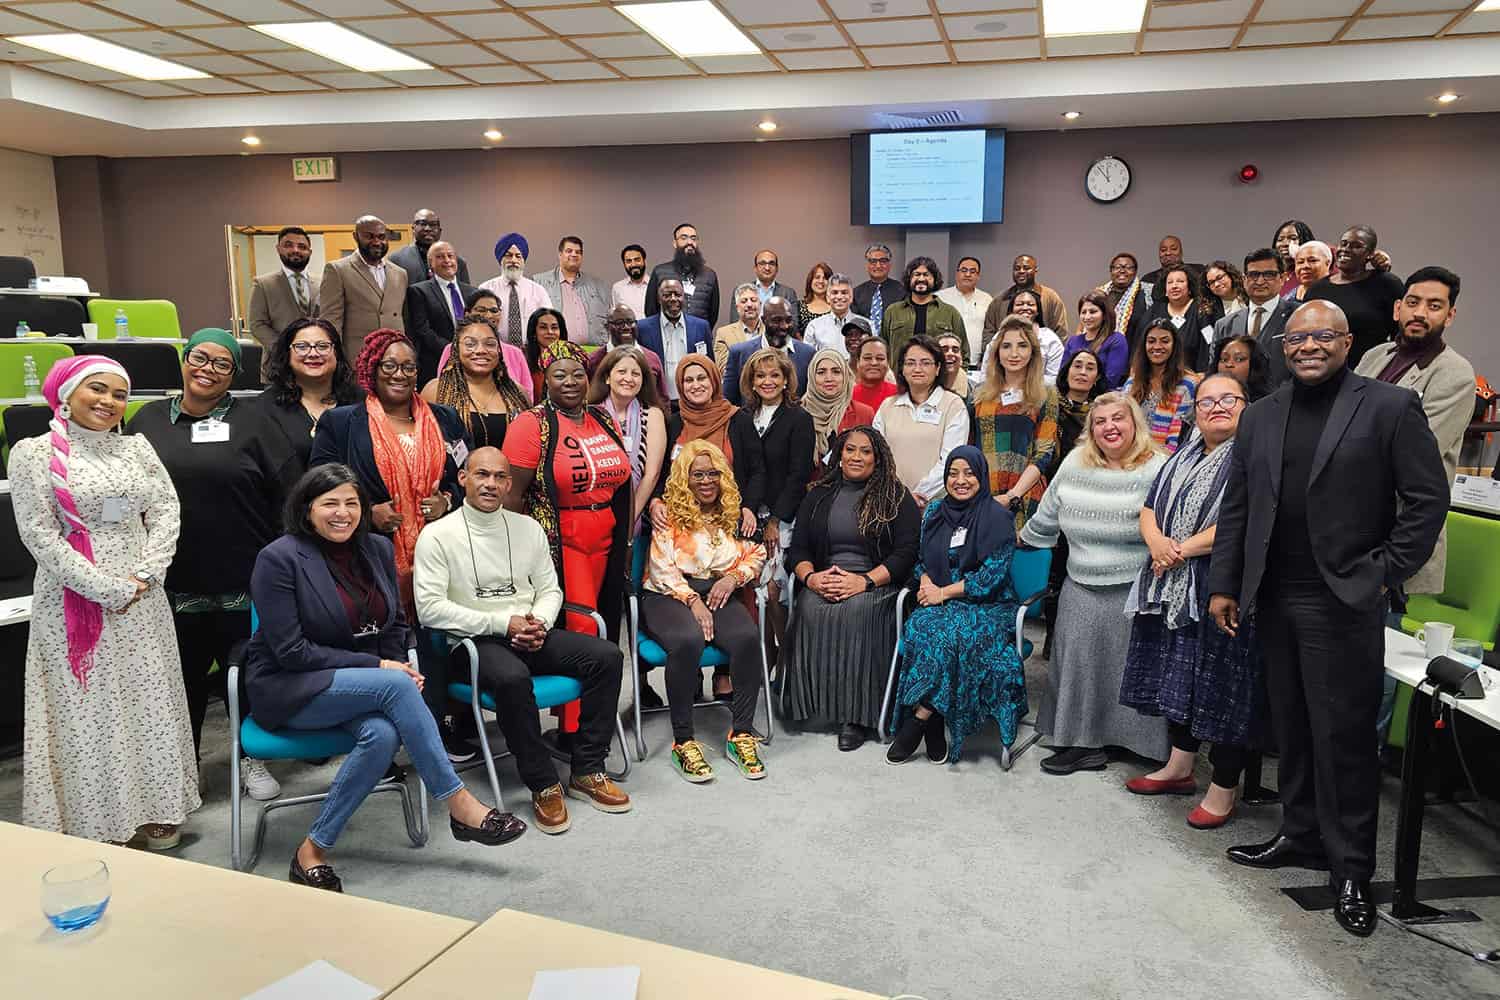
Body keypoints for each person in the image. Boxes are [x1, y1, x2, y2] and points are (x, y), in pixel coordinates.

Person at [1207, 300, 1447, 938]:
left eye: (1324, 336)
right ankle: (1301, 834)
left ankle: (1350, 870)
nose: (1309, 346)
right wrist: (1225, 583)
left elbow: (1427, 500)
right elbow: (1239, 506)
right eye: (1298, 338)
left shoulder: (1389, 407)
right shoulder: (1260, 416)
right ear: (1284, 347)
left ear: (1348, 341)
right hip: (1273, 596)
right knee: (1291, 726)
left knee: (1342, 738)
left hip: (1343, 599)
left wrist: (1384, 570)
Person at [249, 465, 524, 891]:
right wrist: (383, 671)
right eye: (330, 503)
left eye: (351, 503)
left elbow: (395, 626)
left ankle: (311, 851)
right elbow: (291, 651)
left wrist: (397, 665)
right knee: (395, 685)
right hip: (292, 687)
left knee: (380, 735)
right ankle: (458, 803)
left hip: (362, 690)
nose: (342, 513)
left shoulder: (377, 548)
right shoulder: (279, 559)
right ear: (306, 509)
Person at [12, 356, 198, 847]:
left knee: (148, 699)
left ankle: (157, 806)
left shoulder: (135, 448)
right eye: (98, 389)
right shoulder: (33, 453)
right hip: (75, 597)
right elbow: (37, 532)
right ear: (67, 393)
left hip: (143, 598)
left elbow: (164, 509)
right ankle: (98, 819)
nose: (109, 402)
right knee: (90, 707)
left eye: (119, 395)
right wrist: (104, 588)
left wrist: (146, 572)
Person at [414, 447, 630, 834]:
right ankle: (543, 782)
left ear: (509, 484)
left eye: (499, 477)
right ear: (463, 478)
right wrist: (503, 624)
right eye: (482, 475)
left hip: (530, 630)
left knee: (607, 656)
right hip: (473, 642)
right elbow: (431, 610)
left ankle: (588, 768)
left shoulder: (527, 528)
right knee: (513, 678)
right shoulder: (437, 535)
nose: (490, 484)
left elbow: (550, 589)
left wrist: (539, 622)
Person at [129, 329, 296, 799]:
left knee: (243, 676)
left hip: (242, 575)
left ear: (234, 375)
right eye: (200, 357)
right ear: (183, 360)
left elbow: (289, 492)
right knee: (178, 682)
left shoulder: (254, 422)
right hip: (169, 580)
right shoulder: (145, 420)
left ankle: (252, 759)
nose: (208, 368)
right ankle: (181, 772)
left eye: (222, 364)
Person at [1120, 373, 1265, 828]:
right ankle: (1180, 768)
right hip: (1170, 582)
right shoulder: (1180, 454)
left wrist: (1177, 549)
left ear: (1246, 405)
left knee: (1222, 685)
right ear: (1194, 411)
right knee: (1179, 676)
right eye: (1207, 401)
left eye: (1228, 399)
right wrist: (1158, 542)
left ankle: (1224, 788)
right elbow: (1148, 508)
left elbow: (1245, 522)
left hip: (1220, 584)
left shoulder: (1254, 458)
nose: (1217, 407)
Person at [1020, 392, 1168, 774]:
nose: (1109, 427)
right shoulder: (1074, 463)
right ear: (1091, 430)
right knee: (1078, 667)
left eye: (1118, 418)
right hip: (1081, 583)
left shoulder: (1158, 467)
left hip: (1136, 586)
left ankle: (1131, 743)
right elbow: (1048, 514)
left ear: (1135, 422)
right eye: (1100, 421)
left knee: (1127, 668)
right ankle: (1082, 743)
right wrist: (1021, 538)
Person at [1357, 267, 1476, 739]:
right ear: (1397, 307)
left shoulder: (1454, 374)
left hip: (1398, 532)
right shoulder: (1375, 355)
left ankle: (1365, 756)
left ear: (1450, 314)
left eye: (1433, 305)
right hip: (1349, 523)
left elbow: (1409, 454)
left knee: (1376, 650)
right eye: (1413, 302)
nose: (1420, 312)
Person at [504, 340, 633, 743]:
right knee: (580, 632)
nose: (571, 381)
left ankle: (593, 718)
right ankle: (575, 731)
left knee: (607, 629)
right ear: (544, 378)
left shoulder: (602, 419)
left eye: (578, 373)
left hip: (608, 538)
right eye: (559, 373)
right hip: (564, 541)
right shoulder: (531, 424)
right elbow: (512, 497)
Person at [310, 328, 470, 621]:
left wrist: (447, 501)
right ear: (373, 368)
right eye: (390, 366)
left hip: (443, 552)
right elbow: (320, 488)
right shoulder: (340, 423)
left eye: (409, 367)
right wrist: (367, 512)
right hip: (369, 553)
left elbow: (468, 475)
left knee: (442, 640)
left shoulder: (445, 418)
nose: (400, 374)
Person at [785, 426, 920, 751]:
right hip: (826, 578)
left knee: (856, 613)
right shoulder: (817, 495)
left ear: (878, 458)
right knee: (809, 607)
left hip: (877, 584)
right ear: (839, 455)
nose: (856, 457)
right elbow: (798, 549)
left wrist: (864, 581)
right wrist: (811, 579)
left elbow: (906, 553)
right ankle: (811, 704)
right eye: (850, 450)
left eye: (865, 451)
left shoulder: (896, 497)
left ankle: (856, 717)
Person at [886, 447, 1024, 764]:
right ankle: (933, 724)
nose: (960, 480)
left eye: (969, 473)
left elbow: (992, 576)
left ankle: (920, 718)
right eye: (953, 473)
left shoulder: (999, 517)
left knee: (957, 635)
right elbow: (920, 561)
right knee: (921, 627)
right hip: (937, 595)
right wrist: (924, 583)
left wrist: (943, 593)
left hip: (989, 604)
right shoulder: (934, 512)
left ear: (981, 476)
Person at [642, 441, 769, 781]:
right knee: (686, 641)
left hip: (716, 589)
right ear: (685, 477)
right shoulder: (668, 513)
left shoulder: (733, 513)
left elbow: (756, 554)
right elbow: (661, 568)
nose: (706, 480)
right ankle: (683, 741)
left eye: (713, 473)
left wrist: (732, 578)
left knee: (745, 637)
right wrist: (693, 601)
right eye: (697, 474)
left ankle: (740, 734)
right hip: (667, 593)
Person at [731, 347, 815, 670]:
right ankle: (765, 667)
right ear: (751, 381)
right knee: (754, 595)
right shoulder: (740, 418)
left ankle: (790, 664)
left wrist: (776, 520)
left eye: (774, 375)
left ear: (786, 380)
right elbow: (741, 470)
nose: (767, 381)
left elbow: (799, 475)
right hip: (749, 515)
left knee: (773, 591)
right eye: (760, 376)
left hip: (786, 517)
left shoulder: (799, 418)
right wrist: (747, 509)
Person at [652, 355, 762, 541]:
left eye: (702, 378)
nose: (696, 385)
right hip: (682, 521)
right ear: (680, 385)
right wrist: (655, 501)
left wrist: (749, 506)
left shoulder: (738, 419)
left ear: (714, 380)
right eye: (688, 380)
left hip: (729, 520)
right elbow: (662, 471)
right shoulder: (674, 423)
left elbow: (757, 470)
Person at [1041, 348, 1107, 656]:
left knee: (1072, 567)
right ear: (1066, 370)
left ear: (1097, 377)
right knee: (1052, 573)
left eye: (1090, 367)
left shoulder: (1102, 413)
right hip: (1047, 492)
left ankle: (1070, 641)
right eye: (1077, 365)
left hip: (1086, 499)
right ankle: (1053, 639)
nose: (1082, 371)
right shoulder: (1048, 404)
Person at [971, 315, 1060, 533]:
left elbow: (1044, 453)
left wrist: (1012, 495)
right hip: (983, 495)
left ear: (1033, 352)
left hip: (1025, 495)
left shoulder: (1046, 394)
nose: (1014, 353)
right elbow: (971, 448)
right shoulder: (979, 395)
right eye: (1006, 346)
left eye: (1022, 346)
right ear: (996, 352)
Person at [257, 319, 363, 482]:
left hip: (353, 503)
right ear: (287, 353)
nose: (313, 353)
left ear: (337, 353)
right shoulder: (264, 408)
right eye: (302, 347)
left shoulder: (362, 402)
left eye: (322, 346)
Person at [874, 335, 970, 504]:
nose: (917, 369)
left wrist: (917, 495)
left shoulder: (953, 406)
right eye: (910, 363)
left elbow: (950, 461)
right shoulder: (888, 406)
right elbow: (876, 456)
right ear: (902, 369)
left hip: (935, 504)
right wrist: (897, 494)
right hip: (889, 500)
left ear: (938, 367)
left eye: (925, 363)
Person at [590, 344, 669, 536]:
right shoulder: (590, 413)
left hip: (634, 518)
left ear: (643, 380)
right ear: (608, 377)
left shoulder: (653, 415)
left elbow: (652, 474)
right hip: (594, 514)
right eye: (622, 371)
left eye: (636, 373)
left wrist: (628, 517)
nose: (628, 378)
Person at [420, 316, 531, 448]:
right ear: (456, 349)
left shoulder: (518, 393)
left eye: (490, 344)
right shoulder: (436, 390)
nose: (481, 351)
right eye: (470, 344)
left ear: (499, 350)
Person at [1306, 226, 1405, 368]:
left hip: (1371, 370)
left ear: (1370, 254)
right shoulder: (1317, 289)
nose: (1346, 249)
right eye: (1344, 243)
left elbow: (1400, 333)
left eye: (1356, 246)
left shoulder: (1387, 284)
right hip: (1323, 370)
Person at [319, 215, 407, 361]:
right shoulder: (337, 270)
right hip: (357, 360)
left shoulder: (400, 273)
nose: (376, 242)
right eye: (369, 236)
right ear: (356, 236)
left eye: (381, 236)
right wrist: (335, 360)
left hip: (394, 358)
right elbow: (331, 322)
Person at [1211, 249, 1298, 386]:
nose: (1260, 281)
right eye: (1253, 275)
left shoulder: (1298, 316)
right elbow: (1215, 372)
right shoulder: (1224, 325)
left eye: (1269, 274)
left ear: (1282, 278)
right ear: (1244, 279)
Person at [248, 226, 320, 380]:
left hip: (317, 364)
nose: (296, 250)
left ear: (310, 252)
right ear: (278, 249)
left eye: (302, 247)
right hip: (278, 366)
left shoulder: (323, 283)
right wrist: (286, 349)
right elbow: (257, 325)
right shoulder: (263, 284)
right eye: (288, 245)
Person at [1123, 319, 1201, 454]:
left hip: (1166, 460)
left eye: (1165, 341)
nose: (1157, 346)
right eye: (1151, 341)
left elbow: (1178, 438)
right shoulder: (1132, 383)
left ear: (1174, 345)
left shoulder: (1188, 385)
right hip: (1129, 457)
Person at [404, 241, 478, 384]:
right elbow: (423, 329)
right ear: (430, 263)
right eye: (440, 257)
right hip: (437, 363)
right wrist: (451, 351)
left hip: (471, 362)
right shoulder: (419, 291)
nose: (447, 261)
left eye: (450, 256)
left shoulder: (472, 292)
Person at [721, 297, 815, 407]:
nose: (784, 326)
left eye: (788, 320)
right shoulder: (740, 353)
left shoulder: (808, 354)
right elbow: (728, 401)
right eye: (777, 321)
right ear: (763, 320)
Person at [635, 277, 713, 407]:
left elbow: (710, 365)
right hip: (658, 403)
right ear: (659, 299)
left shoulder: (701, 326)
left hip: (694, 402)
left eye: (677, 294)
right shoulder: (643, 328)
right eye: (667, 295)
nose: (673, 298)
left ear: (684, 297)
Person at [803, 347, 875, 474]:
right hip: (806, 490)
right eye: (821, 372)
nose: (829, 378)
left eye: (836, 372)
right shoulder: (798, 413)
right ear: (812, 377)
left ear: (845, 376)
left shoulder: (864, 414)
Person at [881, 257, 967, 363]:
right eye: (916, 274)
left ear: (935, 279)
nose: (921, 279)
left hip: (938, 377)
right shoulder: (892, 312)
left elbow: (964, 352)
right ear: (909, 279)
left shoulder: (950, 313)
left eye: (926, 275)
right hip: (899, 377)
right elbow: (883, 350)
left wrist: (955, 377)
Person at [531, 235, 612, 347]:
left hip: (593, 352)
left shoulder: (598, 285)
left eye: (578, 252)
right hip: (555, 351)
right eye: (569, 251)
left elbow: (609, 320)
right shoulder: (540, 282)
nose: (574, 254)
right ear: (560, 254)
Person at [456, 289, 536, 402]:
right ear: (467, 314)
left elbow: (528, 393)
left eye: (494, 310)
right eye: (481, 310)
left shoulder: (515, 353)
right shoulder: (453, 349)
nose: (488, 315)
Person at [478, 233, 552, 349]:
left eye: (518, 256)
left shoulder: (538, 291)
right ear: (500, 259)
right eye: (508, 255)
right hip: (496, 351)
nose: (513, 260)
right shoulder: (486, 289)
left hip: (531, 353)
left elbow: (549, 322)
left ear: (523, 261)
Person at [584, 304, 669, 401]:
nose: (626, 327)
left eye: (630, 322)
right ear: (607, 326)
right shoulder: (593, 360)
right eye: (619, 323)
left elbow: (663, 398)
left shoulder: (652, 358)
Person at [988, 254, 1069, 353]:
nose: (1021, 271)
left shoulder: (1051, 298)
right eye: (1017, 268)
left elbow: (1061, 333)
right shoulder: (999, 301)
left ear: (1035, 270)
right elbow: (989, 332)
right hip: (1007, 360)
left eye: (1026, 268)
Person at [644, 222, 721, 325]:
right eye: (684, 238)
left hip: (699, 335)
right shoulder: (660, 272)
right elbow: (651, 310)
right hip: (666, 335)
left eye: (693, 238)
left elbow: (713, 313)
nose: (689, 242)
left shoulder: (709, 275)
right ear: (675, 243)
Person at [1146, 265, 1214, 371]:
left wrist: (1203, 373)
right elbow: (1141, 343)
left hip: (1193, 375)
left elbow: (1209, 343)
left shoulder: (1201, 309)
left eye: (1180, 281)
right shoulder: (1155, 310)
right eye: (1170, 282)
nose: (1174, 286)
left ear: (1190, 287)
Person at [389, 208, 471, 286]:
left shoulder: (457, 262)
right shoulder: (396, 260)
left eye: (433, 225)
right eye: (422, 224)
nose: (428, 229)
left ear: (440, 231)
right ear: (413, 229)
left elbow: (465, 295)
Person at [1066, 290, 1130, 389]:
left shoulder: (1116, 340)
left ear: (1104, 314)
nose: (1087, 317)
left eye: (1093, 312)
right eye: (1083, 312)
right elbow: (1063, 375)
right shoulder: (1073, 341)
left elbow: (1111, 381)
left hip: (1101, 399)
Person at [936, 256, 993, 362]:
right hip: (946, 360)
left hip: (978, 362)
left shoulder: (987, 299)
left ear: (978, 276)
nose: (967, 274)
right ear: (957, 273)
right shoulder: (941, 298)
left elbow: (990, 331)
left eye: (973, 271)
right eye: (964, 270)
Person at [1004, 288, 1065, 381]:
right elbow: (988, 371)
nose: (1025, 308)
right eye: (1019, 304)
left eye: (1030, 304)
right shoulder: (1000, 336)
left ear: (1038, 311)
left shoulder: (1050, 339)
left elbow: (1054, 378)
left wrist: (1025, 383)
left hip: (1041, 392)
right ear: (1011, 310)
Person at [1097, 252, 1151, 355]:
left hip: (1134, 354)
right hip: (1100, 353)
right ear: (1111, 271)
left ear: (1135, 272)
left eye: (1128, 267)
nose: (1122, 271)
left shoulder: (1147, 293)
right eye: (1117, 267)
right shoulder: (1100, 294)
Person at [803, 273, 862, 357]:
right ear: (828, 297)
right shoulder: (814, 326)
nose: (839, 297)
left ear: (851, 297)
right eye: (834, 292)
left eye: (844, 292)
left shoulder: (866, 325)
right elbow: (807, 359)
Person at [853, 243, 904, 335]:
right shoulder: (857, 293)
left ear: (889, 264)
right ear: (867, 265)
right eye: (873, 261)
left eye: (883, 261)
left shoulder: (902, 291)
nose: (878, 266)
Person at [714, 283, 763, 372]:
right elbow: (724, 369)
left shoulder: (770, 331)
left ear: (760, 304)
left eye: (753, 300)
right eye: (744, 301)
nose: (749, 304)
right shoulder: (724, 333)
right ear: (737, 308)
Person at [523, 308, 569, 403]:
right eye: (543, 327)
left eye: (554, 327)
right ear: (534, 332)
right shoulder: (522, 357)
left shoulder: (571, 357)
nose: (550, 332)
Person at [1211, 335, 1274, 402]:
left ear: (1254, 365)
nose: (1229, 364)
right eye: (1224, 359)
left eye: (1239, 359)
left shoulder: (1268, 405)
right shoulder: (1204, 398)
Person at [1140, 234, 1205, 296]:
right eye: (1163, 250)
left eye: (1173, 249)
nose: (1168, 253)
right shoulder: (1147, 280)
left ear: (1181, 252)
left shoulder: (1199, 271)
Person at [852, 334, 899, 413]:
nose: (874, 363)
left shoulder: (900, 396)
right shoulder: (846, 398)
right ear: (858, 363)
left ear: (888, 363)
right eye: (867, 358)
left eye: (880, 358)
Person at [750, 249, 800, 317]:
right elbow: (735, 325)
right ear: (755, 268)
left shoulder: (788, 293)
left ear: (777, 269)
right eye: (762, 263)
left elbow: (793, 324)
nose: (767, 268)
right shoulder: (742, 291)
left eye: (771, 263)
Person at [1272, 219, 1316, 295]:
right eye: (1280, 240)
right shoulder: (1271, 274)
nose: (1285, 244)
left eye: (1293, 238)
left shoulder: (1310, 274)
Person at [612, 243, 650, 321]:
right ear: (624, 264)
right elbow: (616, 317)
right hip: (628, 332)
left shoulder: (655, 285)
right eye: (629, 261)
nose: (633, 264)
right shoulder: (617, 288)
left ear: (644, 261)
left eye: (637, 260)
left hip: (652, 332)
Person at [935, 332, 971, 401]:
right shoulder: (922, 387)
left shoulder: (974, 392)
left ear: (961, 359)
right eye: (944, 350)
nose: (950, 353)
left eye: (955, 350)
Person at [799, 261, 833, 331]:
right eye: (817, 277)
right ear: (810, 281)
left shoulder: (836, 307)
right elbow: (795, 332)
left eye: (825, 278)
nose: (821, 281)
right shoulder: (798, 306)